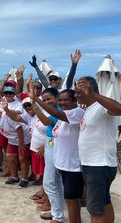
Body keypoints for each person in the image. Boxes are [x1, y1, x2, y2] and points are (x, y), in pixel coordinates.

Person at [76, 76, 121, 223]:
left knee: (95, 210)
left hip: (98, 165)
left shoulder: (101, 106)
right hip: (92, 165)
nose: (77, 95)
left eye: (80, 91)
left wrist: (93, 95)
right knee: (104, 202)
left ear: (90, 90)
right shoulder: (89, 109)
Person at [34, 88, 85, 223]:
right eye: (61, 100)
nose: (62, 102)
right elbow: (56, 134)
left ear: (75, 100)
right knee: (58, 186)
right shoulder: (64, 113)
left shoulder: (73, 113)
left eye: (65, 100)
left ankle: (57, 216)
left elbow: (47, 121)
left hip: (71, 163)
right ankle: (57, 214)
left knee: (52, 184)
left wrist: (36, 101)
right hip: (58, 154)